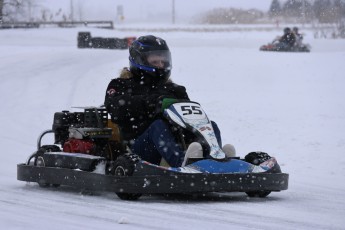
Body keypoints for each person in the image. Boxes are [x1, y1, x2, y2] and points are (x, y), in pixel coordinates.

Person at [104, 35, 234, 167]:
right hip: (139, 148)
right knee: (158, 125)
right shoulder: (120, 85)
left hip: (175, 142)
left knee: (210, 125)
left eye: (163, 61)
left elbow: (189, 118)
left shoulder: (175, 89)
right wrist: (152, 103)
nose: (161, 65)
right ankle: (182, 164)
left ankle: (215, 160)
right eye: (155, 62)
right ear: (139, 60)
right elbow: (116, 108)